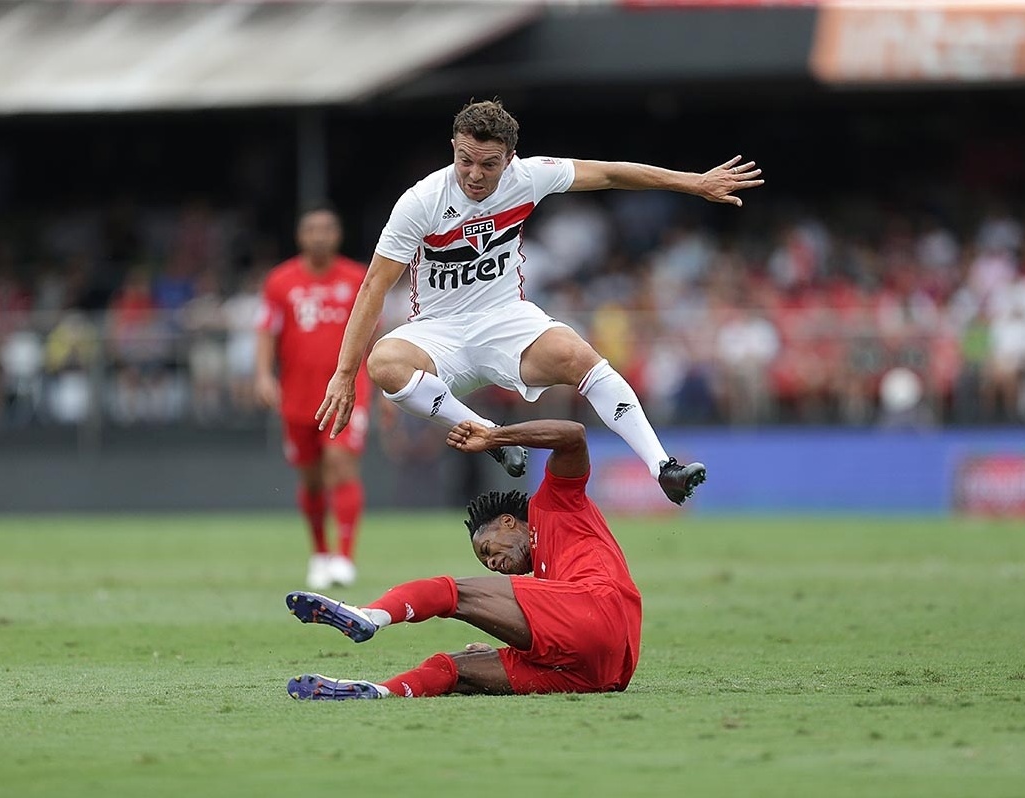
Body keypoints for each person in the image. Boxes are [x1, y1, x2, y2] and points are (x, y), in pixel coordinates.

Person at [317, 98, 763, 504]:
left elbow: (609, 173)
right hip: (439, 330)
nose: (474, 174)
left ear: (510, 159)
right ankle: (493, 435)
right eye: (465, 160)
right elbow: (374, 285)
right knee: (383, 361)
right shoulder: (421, 201)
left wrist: (693, 183)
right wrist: (343, 374)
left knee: (578, 355)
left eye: (488, 165)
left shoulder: (529, 176)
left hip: (505, 319)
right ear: (453, 146)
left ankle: (663, 466)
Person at [286, 417, 643, 700]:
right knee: (460, 669)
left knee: (450, 592)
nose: (490, 564)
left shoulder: (554, 504)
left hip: (600, 608)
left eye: (488, 549)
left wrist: (494, 437)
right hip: (602, 672)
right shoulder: (551, 578)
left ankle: (369, 616)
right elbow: (570, 627)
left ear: (507, 522)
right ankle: (379, 692)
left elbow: (573, 435)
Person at [256, 203, 371, 590]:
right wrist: (261, 375)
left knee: (340, 463)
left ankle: (345, 556)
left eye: (327, 229)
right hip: (298, 394)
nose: (319, 236)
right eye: (312, 229)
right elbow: (266, 331)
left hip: (349, 389)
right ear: (300, 236)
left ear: (337, 235)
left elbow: (374, 333)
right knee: (311, 480)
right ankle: (320, 553)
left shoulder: (357, 278)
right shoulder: (280, 281)